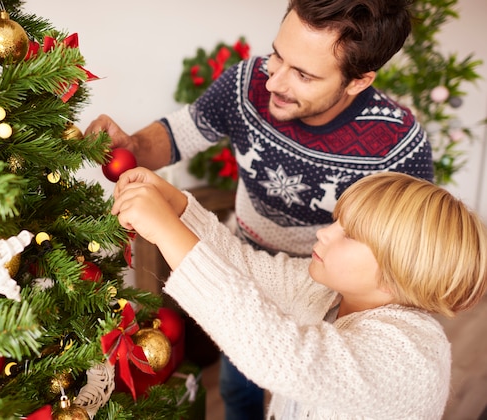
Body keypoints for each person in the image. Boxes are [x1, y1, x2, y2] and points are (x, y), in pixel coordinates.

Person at [87, 0, 433, 417]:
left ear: (359, 81)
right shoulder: (247, 82)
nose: (274, 82)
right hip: (248, 260)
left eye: (303, 75)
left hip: (328, 289)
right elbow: (183, 131)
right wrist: (133, 148)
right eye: (277, 56)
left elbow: (408, 258)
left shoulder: (397, 145)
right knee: (240, 390)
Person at [111, 167, 487, 420]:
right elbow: (244, 268)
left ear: (399, 274)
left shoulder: (409, 356)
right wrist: (176, 208)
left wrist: (164, 230)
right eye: (337, 221)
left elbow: (282, 353)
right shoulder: (330, 291)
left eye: (349, 234)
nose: (324, 233)